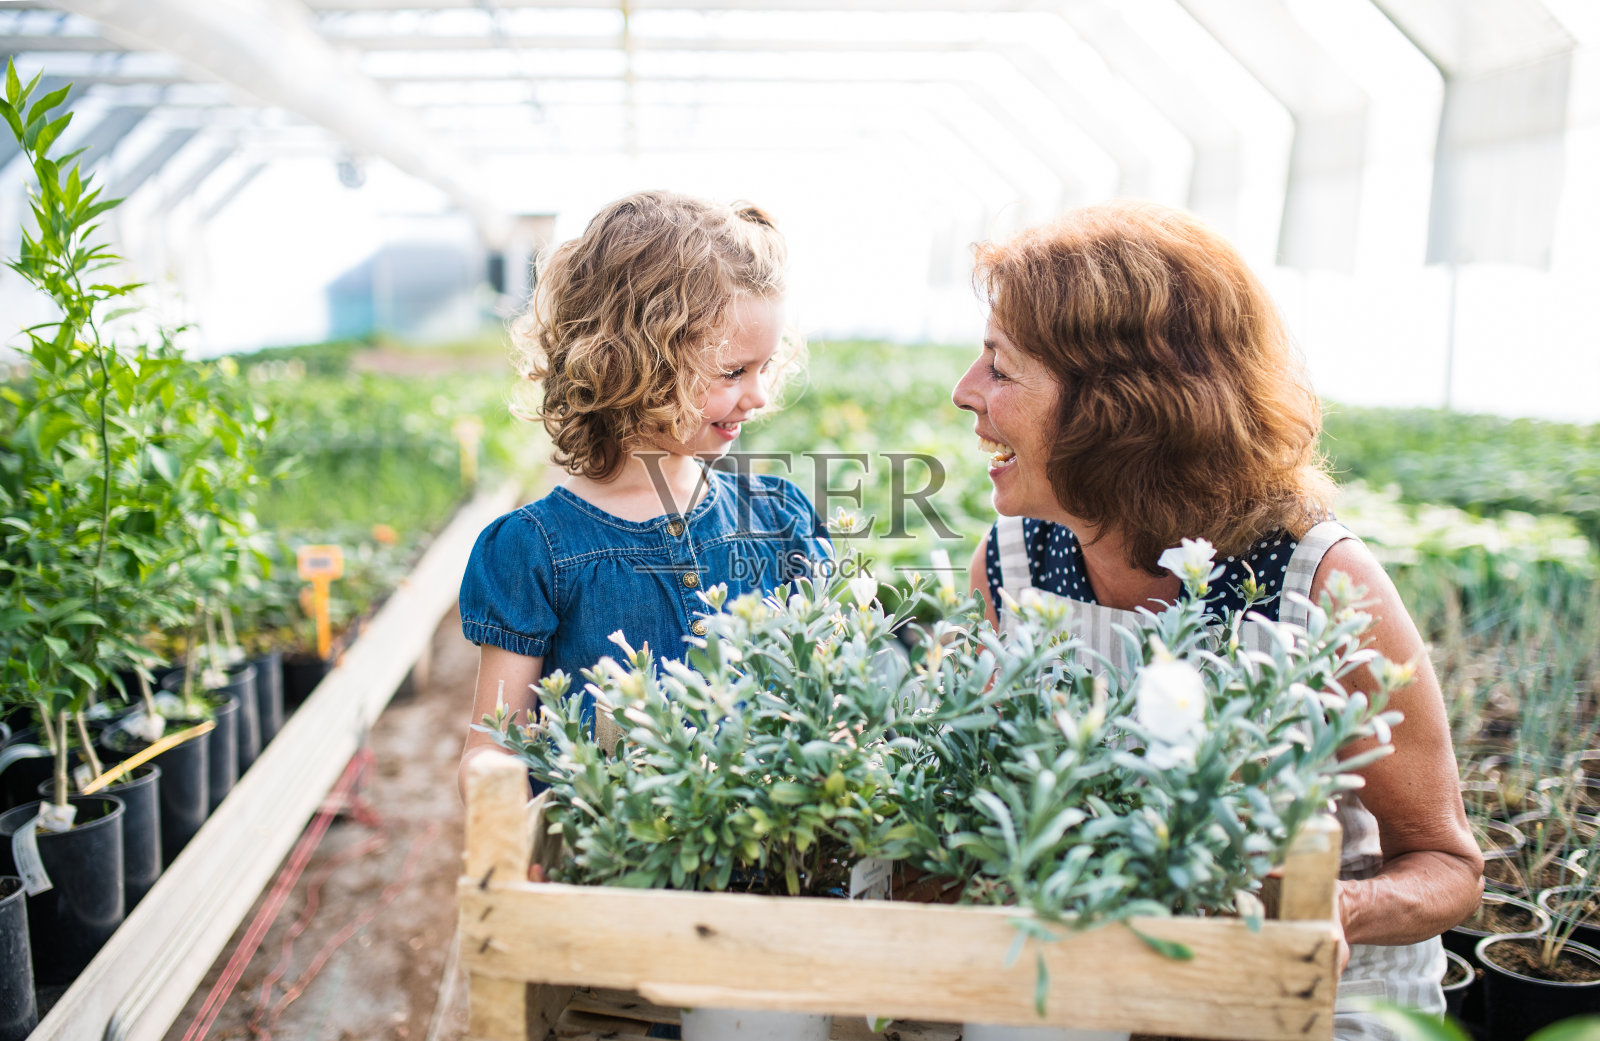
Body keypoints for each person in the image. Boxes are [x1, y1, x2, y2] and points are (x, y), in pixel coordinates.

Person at [953, 200, 1483, 1039]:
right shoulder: (1012, 562)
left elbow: (1448, 866)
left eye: (1000, 367)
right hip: (1101, 968)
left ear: (1117, 409)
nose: (966, 391)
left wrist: (1335, 908)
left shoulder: (1320, 582)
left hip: (1313, 1001)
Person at [458, 190, 830, 798]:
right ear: (632, 364)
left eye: (764, 367)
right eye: (733, 371)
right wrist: (498, 799)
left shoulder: (779, 517)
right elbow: (495, 743)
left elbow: (828, 697)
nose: (760, 395)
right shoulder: (535, 550)